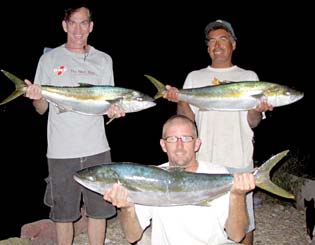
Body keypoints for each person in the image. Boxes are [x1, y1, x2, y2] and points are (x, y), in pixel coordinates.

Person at [163, 20, 273, 244]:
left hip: (238, 157)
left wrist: (256, 109)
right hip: (204, 161)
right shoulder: (194, 77)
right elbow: (187, 120)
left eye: (223, 39)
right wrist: (181, 98)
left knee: (243, 221)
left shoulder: (249, 77)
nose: (217, 44)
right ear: (207, 48)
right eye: (212, 41)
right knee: (206, 219)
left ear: (233, 44)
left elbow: (253, 122)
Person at [24, 3, 125, 245]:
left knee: (98, 212)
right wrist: (37, 96)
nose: (77, 30)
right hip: (60, 151)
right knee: (63, 215)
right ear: (64, 25)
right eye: (72, 23)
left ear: (91, 26)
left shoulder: (104, 60)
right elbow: (41, 110)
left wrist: (114, 110)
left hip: (97, 149)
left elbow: (104, 104)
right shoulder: (49, 59)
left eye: (83, 23)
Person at [104, 115, 256, 245]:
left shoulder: (217, 173)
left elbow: (237, 235)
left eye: (186, 138)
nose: (179, 145)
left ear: (197, 143)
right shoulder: (151, 177)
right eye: (172, 139)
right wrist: (127, 208)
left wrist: (238, 195)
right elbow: (132, 236)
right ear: (163, 145)